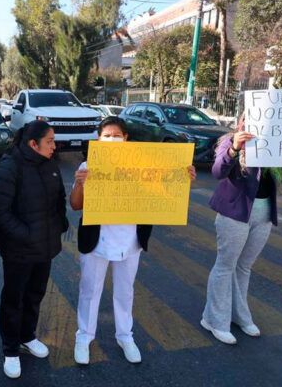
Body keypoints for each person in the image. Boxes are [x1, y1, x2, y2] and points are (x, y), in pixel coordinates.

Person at [69, 117, 195, 365]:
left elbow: (164, 190)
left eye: (117, 135)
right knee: (89, 291)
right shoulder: (89, 165)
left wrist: (183, 176)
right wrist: (82, 184)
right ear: (98, 139)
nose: (112, 139)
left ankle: (125, 336)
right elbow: (75, 204)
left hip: (130, 241)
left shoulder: (144, 163)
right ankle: (84, 337)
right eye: (107, 135)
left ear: (126, 138)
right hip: (96, 241)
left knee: (125, 292)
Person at [202, 116, 282, 344]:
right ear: (240, 124)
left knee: (244, 267)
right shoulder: (229, 141)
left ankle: (240, 316)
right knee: (225, 266)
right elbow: (218, 172)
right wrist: (234, 149)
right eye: (247, 121)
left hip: (264, 212)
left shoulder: (276, 145)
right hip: (234, 213)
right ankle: (213, 320)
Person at [0, 120, 67, 379]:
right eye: (50, 141)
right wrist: (27, 235)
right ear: (33, 144)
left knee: (35, 294)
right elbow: (0, 212)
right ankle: (10, 349)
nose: (55, 146)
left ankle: (27, 336)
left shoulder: (50, 164)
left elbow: (59, 200)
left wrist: (59, 225)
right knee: (14, 299)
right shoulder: (11, 167)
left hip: (45, 248)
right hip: (19, 251)